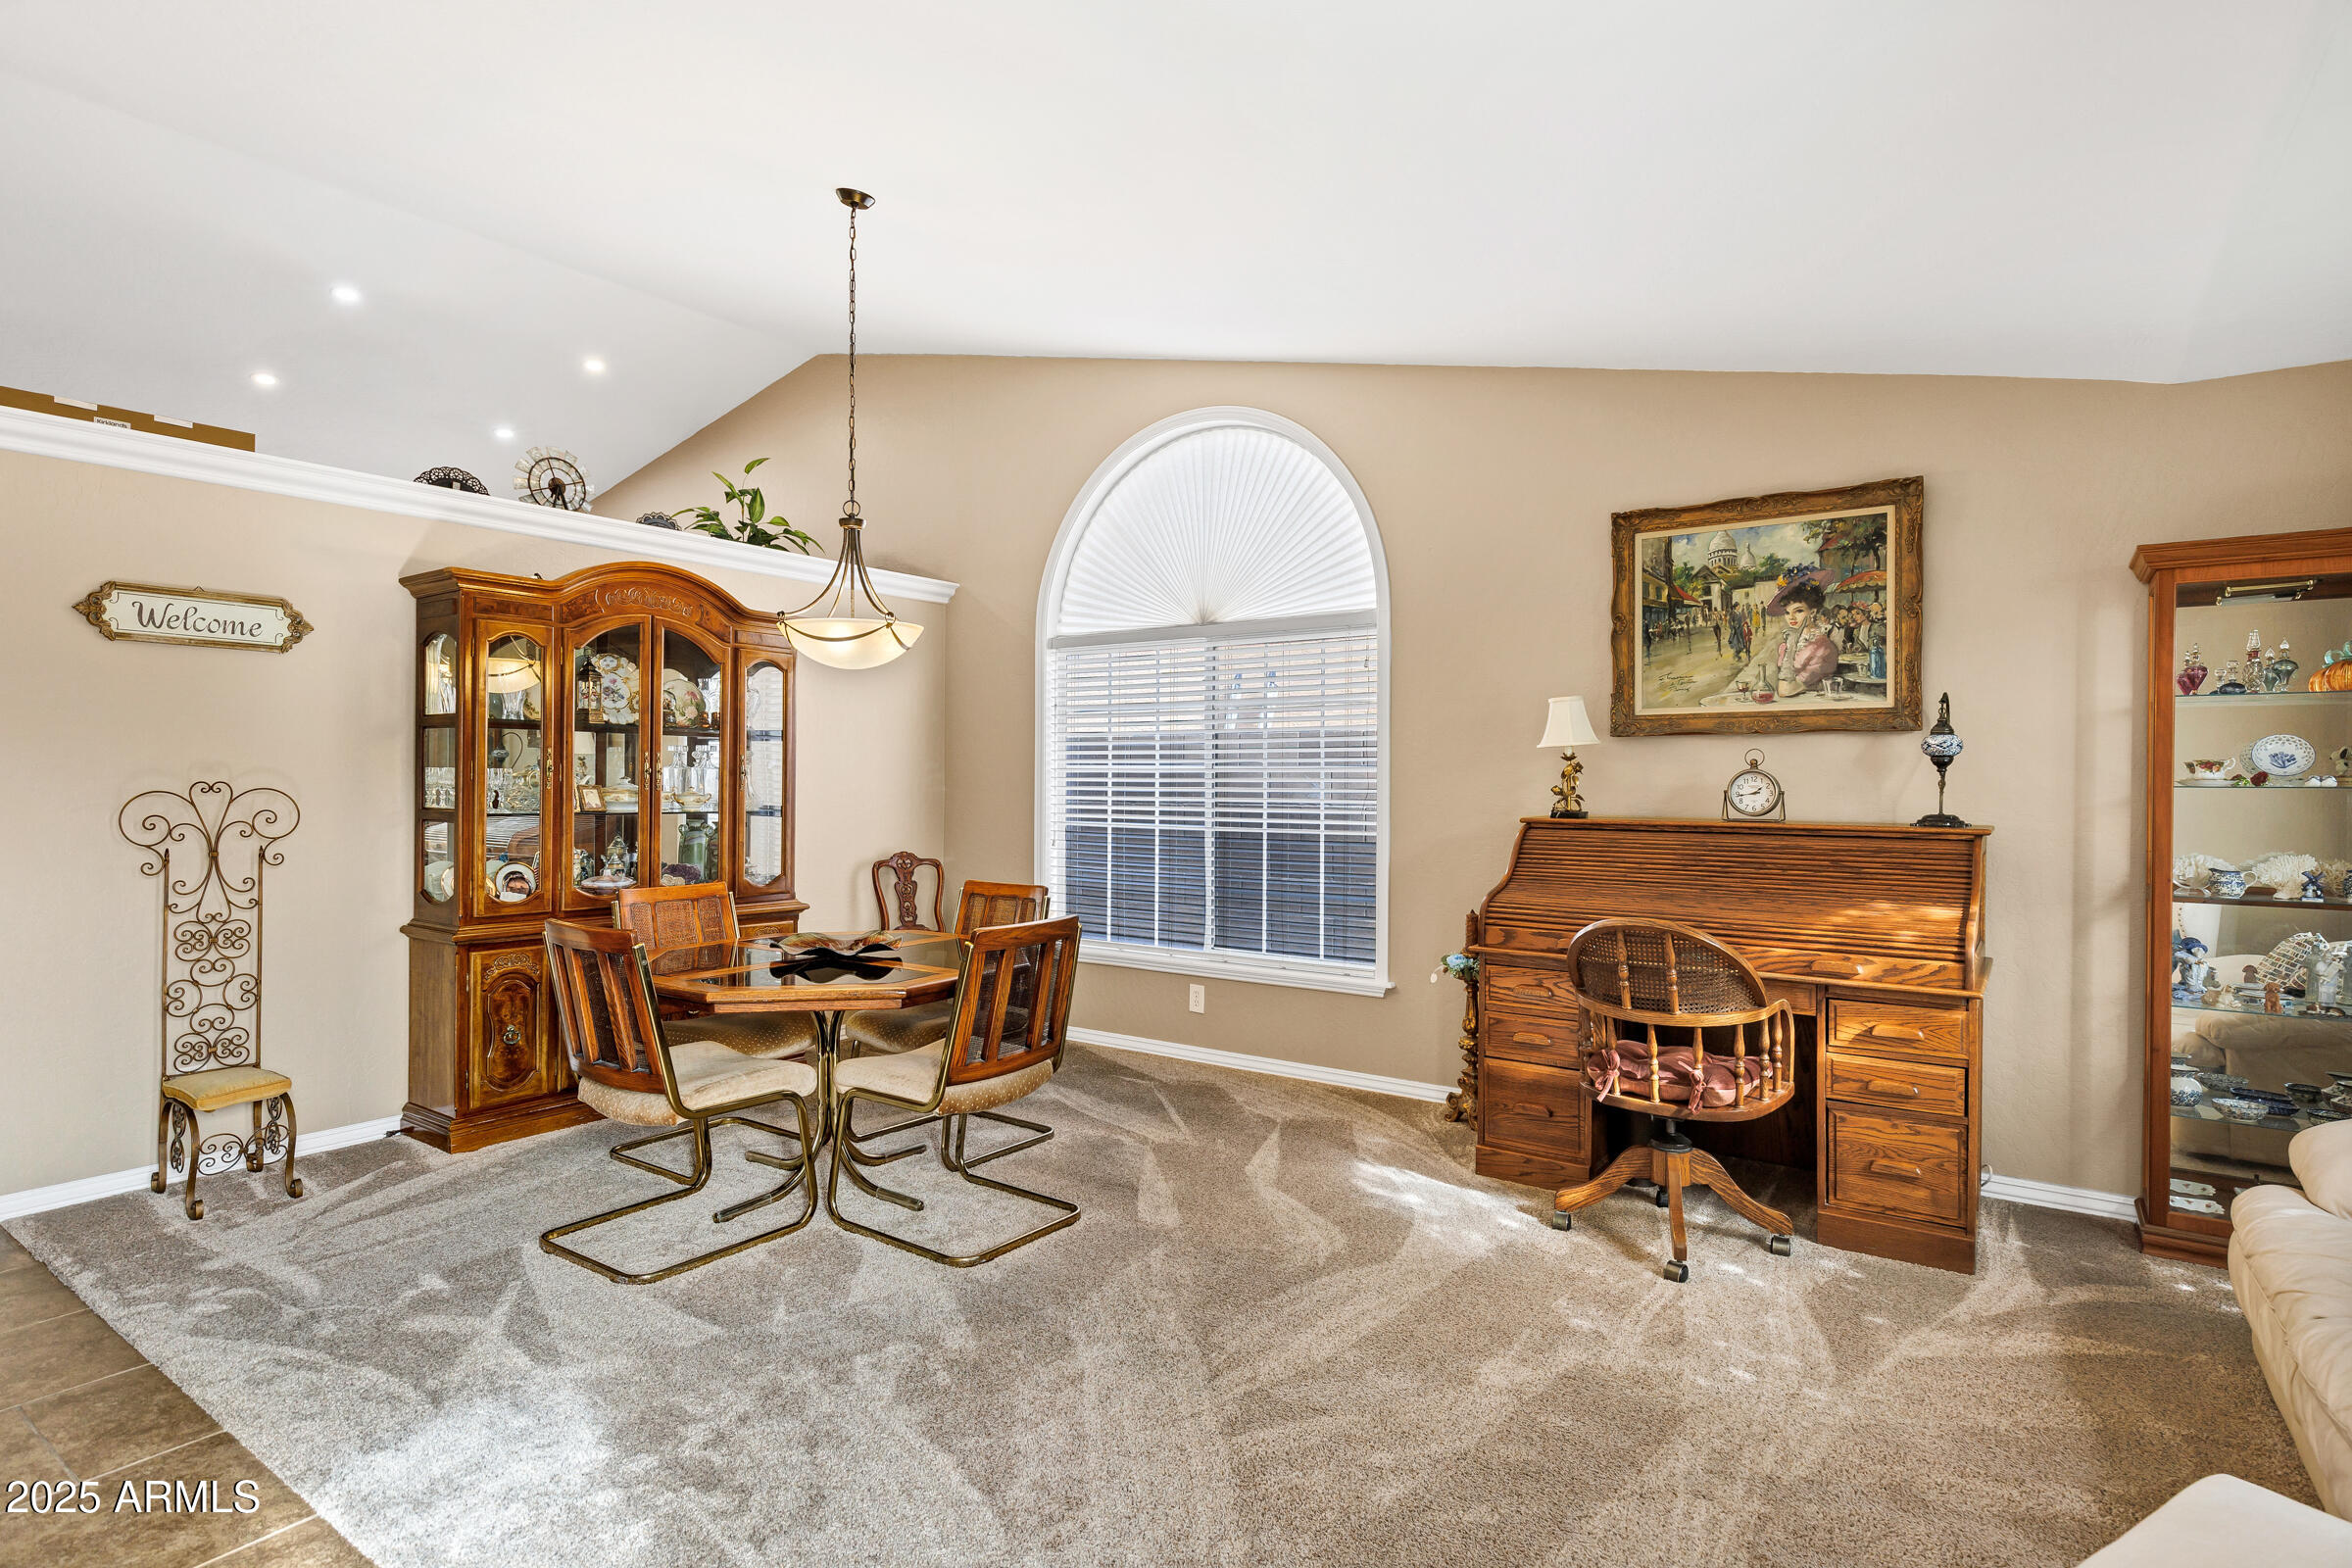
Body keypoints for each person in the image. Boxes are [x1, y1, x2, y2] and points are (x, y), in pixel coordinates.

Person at [1734, 581, 1839, 698]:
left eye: (1799, 611)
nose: (1791, 617)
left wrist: (1791, 648)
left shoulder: (1823, 648)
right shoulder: (1786, 644)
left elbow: (1785, 690)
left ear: (1813, 612)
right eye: (1787, 612)